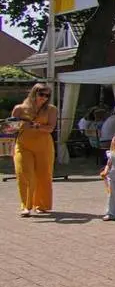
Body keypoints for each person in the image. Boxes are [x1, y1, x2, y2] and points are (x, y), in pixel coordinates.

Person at [11, 83, 57, 216]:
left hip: (44, 145)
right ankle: (25, 206)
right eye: (41, 94)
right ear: (34, 93)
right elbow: (11, 128)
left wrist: (34, 126)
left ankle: (41, 205)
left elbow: (51, 128)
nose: (44, 98)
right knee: (25, 174)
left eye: (47, 95)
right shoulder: (19, 108)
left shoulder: (51, 109)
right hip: (23, 145)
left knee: (44, 175)